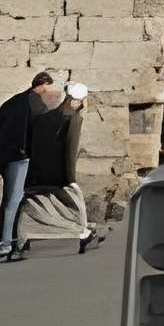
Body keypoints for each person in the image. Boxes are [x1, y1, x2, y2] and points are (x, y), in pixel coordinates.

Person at [0, 71, 57, 262]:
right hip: (20, 158)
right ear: (42, 85)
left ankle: (12, 242)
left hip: (6, 158)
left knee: (12, 201)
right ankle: (5, 246)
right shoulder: (36, 103)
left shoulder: (11, 102)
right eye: (48, 88)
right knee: (14, 202)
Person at [18, 83, 101, 254]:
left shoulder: (47, 117)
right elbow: (70, 148)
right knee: (76, 205)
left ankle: (22, 238)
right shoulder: (73, 119)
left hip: (37, 172)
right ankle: (84, 235)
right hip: (58, 174)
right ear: (79, 101)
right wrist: (70, 178)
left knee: (32, 205)